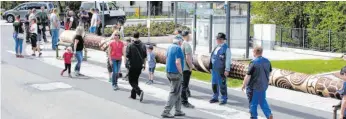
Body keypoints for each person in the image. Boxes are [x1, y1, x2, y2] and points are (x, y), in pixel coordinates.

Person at [241, 46, 273, 119]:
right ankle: (268, 114)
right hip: (263, 86)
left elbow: (248, 76)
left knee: (253, 103)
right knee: (262, 101)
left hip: (254, 87)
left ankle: (253, 117)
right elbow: (270, 73)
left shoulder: (253, 63)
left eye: (253, 52)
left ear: (255, 52)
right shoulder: (267, 61)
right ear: (261, 52)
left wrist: (244, 84)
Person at [161, 37, 185, 118]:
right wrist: (181, 72)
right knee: (174, 92)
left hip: (169, 72)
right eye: (182, 42)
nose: (182, 43)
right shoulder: (178, 48)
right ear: (179, 42)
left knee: (177, 92)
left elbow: (166, 58)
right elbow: (178, 62)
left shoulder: (170, 47)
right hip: (176, 73)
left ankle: (178, 110)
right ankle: (166, 111)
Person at [209, 33, 231, 105]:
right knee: (214, 83)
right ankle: (215, 97)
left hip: (221, 69)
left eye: (218, 39)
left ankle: (223, 98)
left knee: (222, 84)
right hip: (214, 69)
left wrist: (227, 69)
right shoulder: (216, 47)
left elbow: (228, 60)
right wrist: (211, 67)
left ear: (222, 40)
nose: (217, 40)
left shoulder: (226, 48)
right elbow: (212, 57)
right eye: (217, 39)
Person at [126, 31, 146, 101]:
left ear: (132, 36)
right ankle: (133, 95)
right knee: (135, 80)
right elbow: (144, 57)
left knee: (131, 81)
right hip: (139, 65)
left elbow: (127, 56)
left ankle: (139, 92)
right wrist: (144, 65)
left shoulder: (130, 45)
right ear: (139, 36)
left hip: (132, 65)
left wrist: (126, 64)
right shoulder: (143, 45)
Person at [180, 30, 195, 108]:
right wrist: (191, 66)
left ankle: (181, 100)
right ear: (187, 36)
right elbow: (188, 58)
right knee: (185, 86)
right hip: (186, 69)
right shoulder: (187, 45)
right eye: (189, 35)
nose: (190, 37)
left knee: (182, 85)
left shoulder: (181, 44)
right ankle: (184, 102)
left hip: (182, 68)